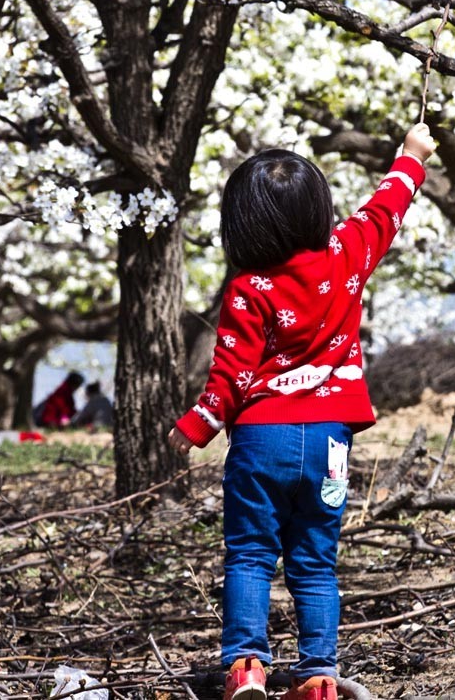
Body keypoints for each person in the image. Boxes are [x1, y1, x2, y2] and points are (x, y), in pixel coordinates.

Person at [167, 124, 437, 700]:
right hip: (331, 444)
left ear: (241, 223)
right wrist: (411, 155)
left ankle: (246, 667)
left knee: (249, 554)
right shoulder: (347, 254)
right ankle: (319, 674)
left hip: (262, 439)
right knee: (315, 561)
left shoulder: (249, 287)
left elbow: (233, 374)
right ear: (320, 208)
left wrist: (198, 425)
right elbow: (387, 207)